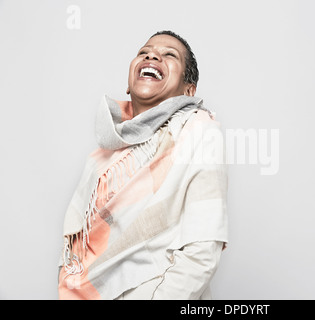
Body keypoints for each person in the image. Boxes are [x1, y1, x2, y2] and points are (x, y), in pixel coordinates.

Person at [58, 30, 228, 300]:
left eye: (169, 54)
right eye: (143, 52)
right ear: (129, 84)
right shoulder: (101, 157)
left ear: (189, 90)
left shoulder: (198, 131)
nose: (152, 54)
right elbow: (74, 250)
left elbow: (202, 250)